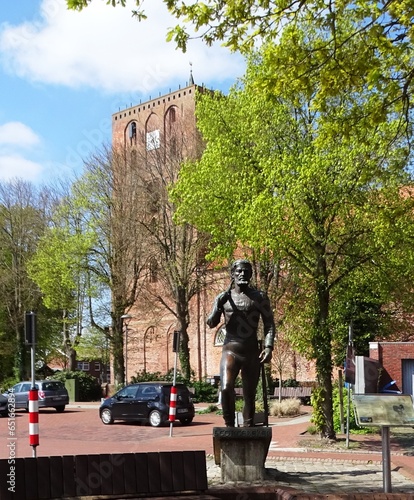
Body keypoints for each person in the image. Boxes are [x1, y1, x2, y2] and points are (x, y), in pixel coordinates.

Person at [207, 259, 275, 427]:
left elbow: (269, 324)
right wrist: (217, 305)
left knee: (249, 395)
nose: (242, 274)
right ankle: (229, 426)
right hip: (230, 350)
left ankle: (248, 427)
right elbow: (211, 323)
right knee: (225, 388)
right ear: (232, 274)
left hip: (252, 353)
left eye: (246, 271)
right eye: (239, 271)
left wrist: (268, 346)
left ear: (251, 274)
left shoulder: (259, 297)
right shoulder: (224, 298)